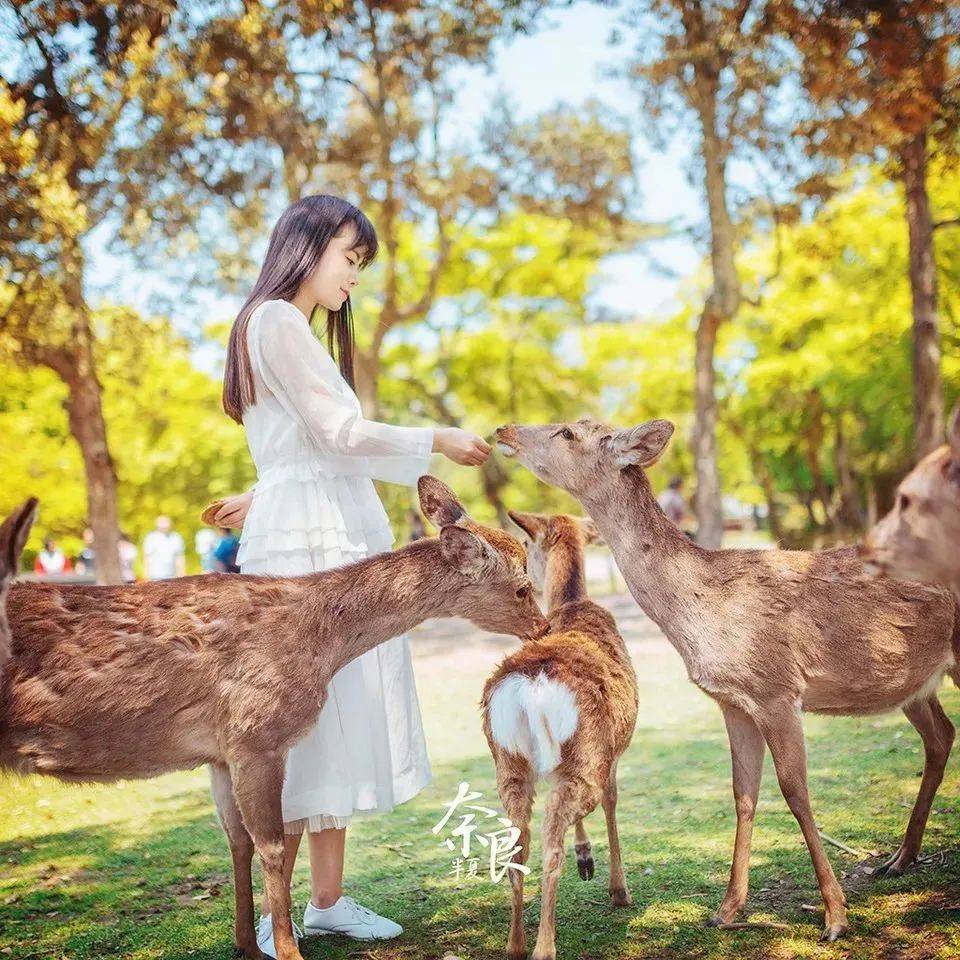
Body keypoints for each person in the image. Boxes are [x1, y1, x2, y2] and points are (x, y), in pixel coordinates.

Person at [213, 194, 490, 957]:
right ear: (306, 246)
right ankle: (280, 915)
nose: (354, 277)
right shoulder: (274, 321)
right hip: (314, 540)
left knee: (337, 715)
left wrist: (263, 492)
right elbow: (336, 432)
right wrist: (435, 438)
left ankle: (328, 902)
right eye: (349, 256)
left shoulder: (286, 329)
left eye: (361, 264)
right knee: (298, 718)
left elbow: (306, 447)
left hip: (322, 521)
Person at [142, 516, 186, 581]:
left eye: (166, 523)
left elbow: (179, 557)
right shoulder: (150, 538)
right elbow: (146, 557)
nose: (164, 525)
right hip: (155, 576)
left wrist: (182, 574)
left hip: (172, 576)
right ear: (157, 525)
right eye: (162, 523)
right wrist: (146, 575)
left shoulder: (176, 537)